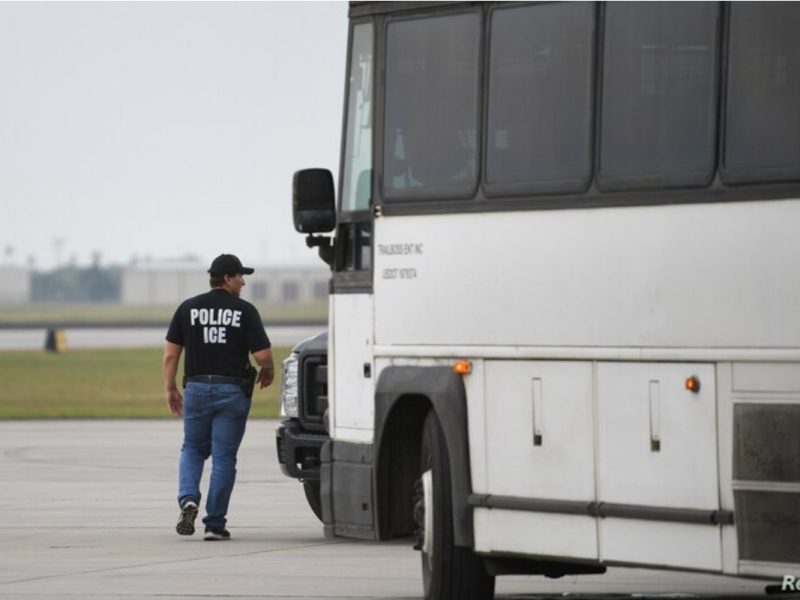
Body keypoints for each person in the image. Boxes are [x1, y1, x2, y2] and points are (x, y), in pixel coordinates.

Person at [162, 254, 274, 541]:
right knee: (224, 458)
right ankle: (214, 524)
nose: (243, 282)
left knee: (192, 448)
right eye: (240, 276)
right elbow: (262, 356)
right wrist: (269, 369)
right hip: (232, 390)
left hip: (196, 388)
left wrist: (170, 388)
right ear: (227, 278)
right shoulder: (245, 311)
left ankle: (188, 499)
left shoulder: (187, 308)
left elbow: (170, 355)